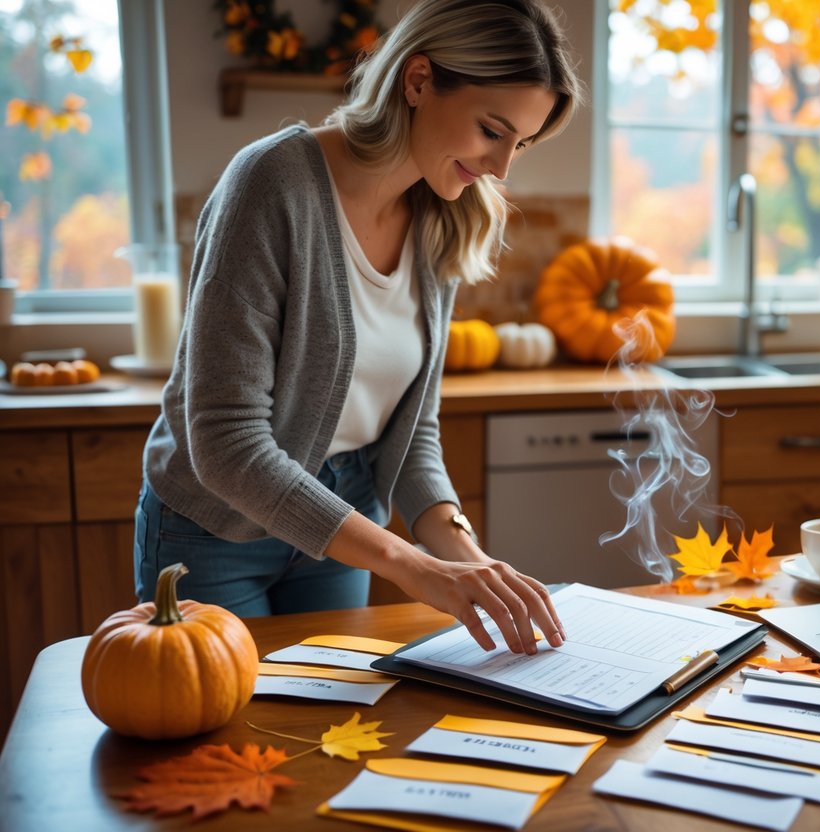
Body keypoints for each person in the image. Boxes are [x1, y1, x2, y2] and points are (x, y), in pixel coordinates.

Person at [134, 0, 584, 655]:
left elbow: (411, 435)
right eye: (492, 131)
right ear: (419, 80)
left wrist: (466, 558)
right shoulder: (271, 184)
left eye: (521, 142)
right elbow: (226, 442)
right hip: (213, 533)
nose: (502, 168)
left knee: (326, 739)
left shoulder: (445, 217)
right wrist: (412, 565)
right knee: (226, 743)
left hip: (344, 530)